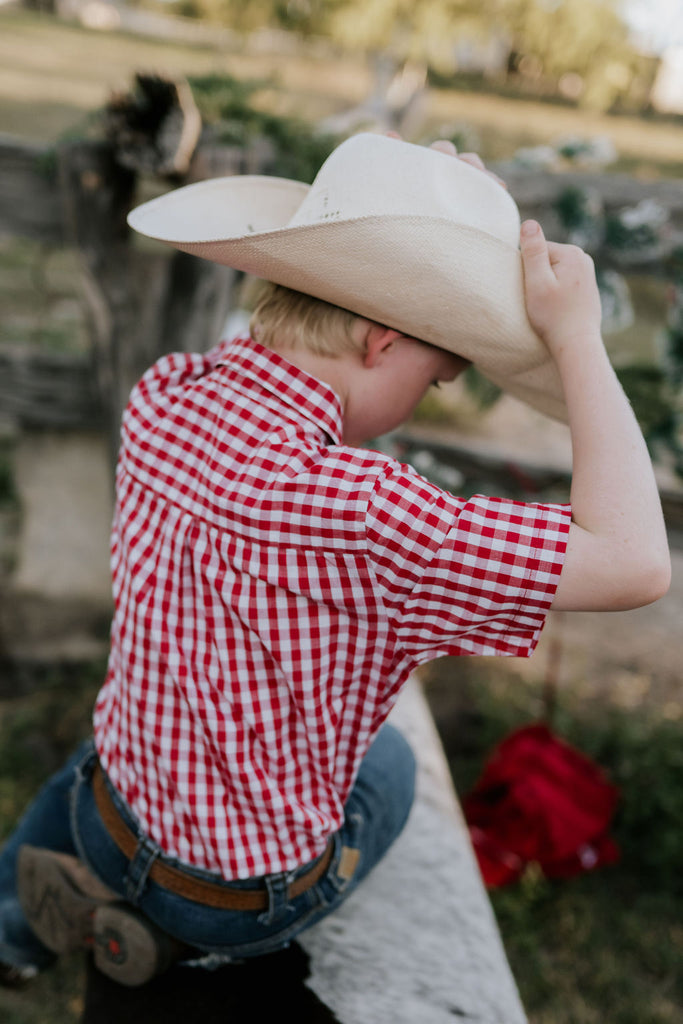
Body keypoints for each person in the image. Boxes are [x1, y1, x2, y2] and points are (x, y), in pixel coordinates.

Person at [0, 133, 670, 989]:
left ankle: (17, 933)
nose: (421, 402)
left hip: (108, 816)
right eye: (432, 380)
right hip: (232, 893)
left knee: (124, 730)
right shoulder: (367, 512)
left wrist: (418, 212)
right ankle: (180, 942)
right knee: (387, 761)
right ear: (381, 341)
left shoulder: (166, 392)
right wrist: (577, 340)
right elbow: (634, 561)